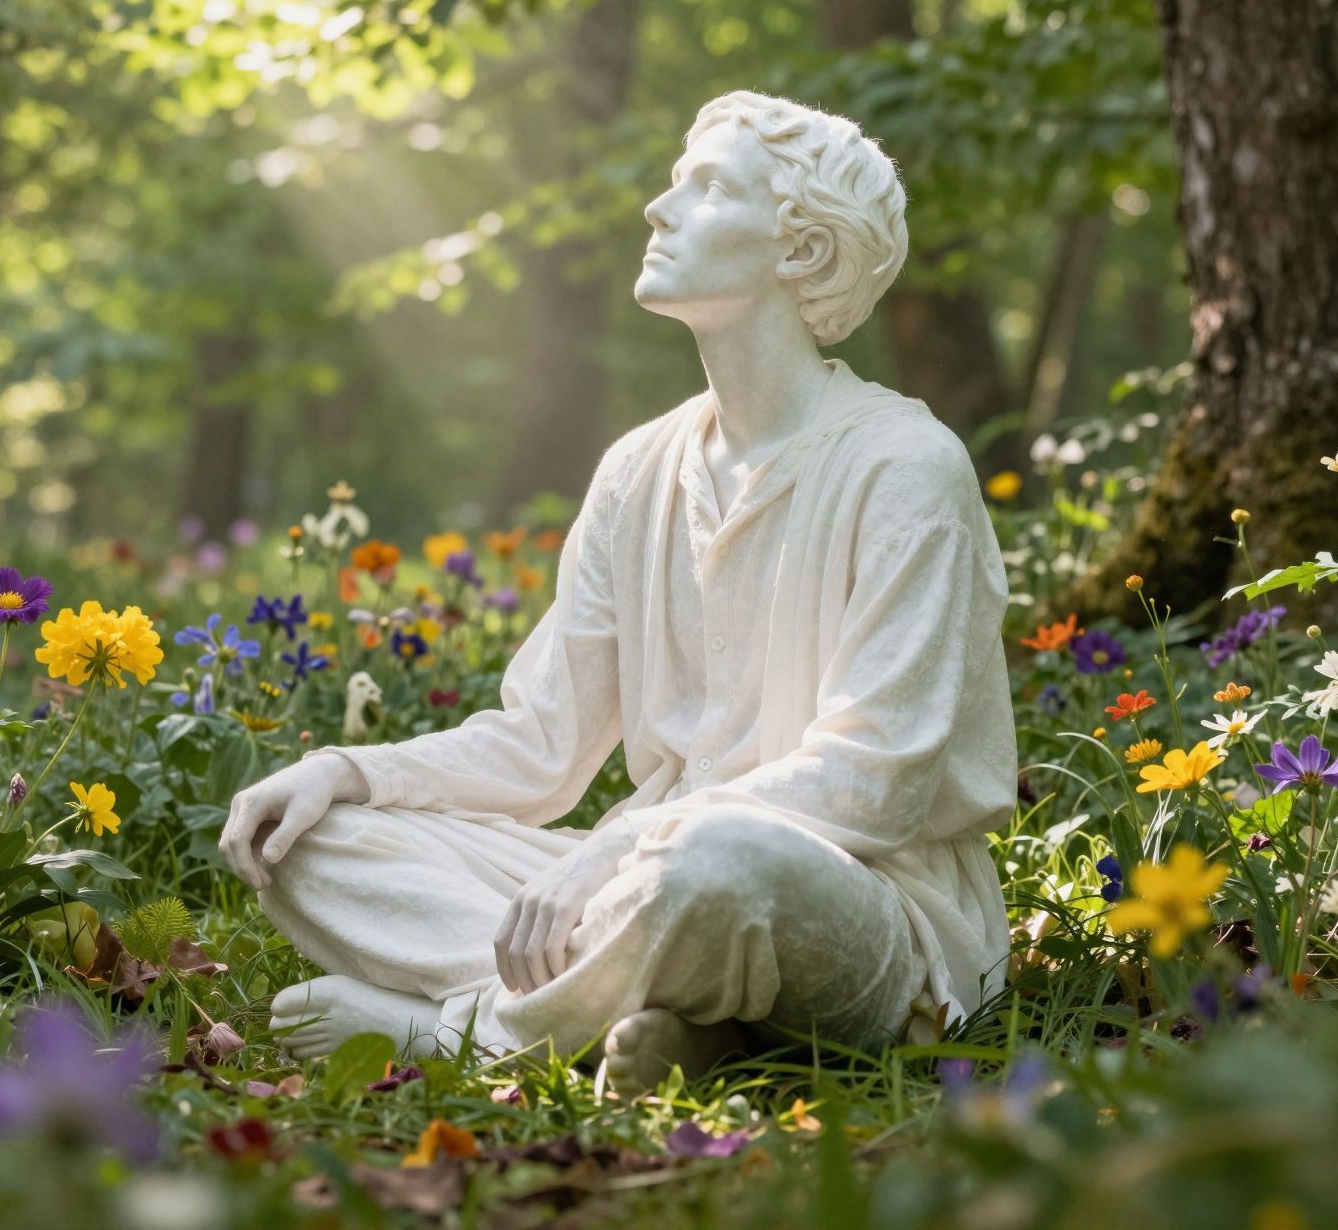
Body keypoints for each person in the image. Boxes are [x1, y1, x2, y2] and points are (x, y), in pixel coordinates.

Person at [220, 90, 1017, 1091]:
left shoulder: (906, 468)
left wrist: (635, 839)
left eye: (707, 186)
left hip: (856, 910)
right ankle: (663, 1027)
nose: (658, 208)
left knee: (717, 863)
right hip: (641, 883)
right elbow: (539, 748)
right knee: (307, 839)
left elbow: (872, 784)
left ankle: (455, 1036)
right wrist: (344, 770)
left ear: (803, 254)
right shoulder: (636, 468)